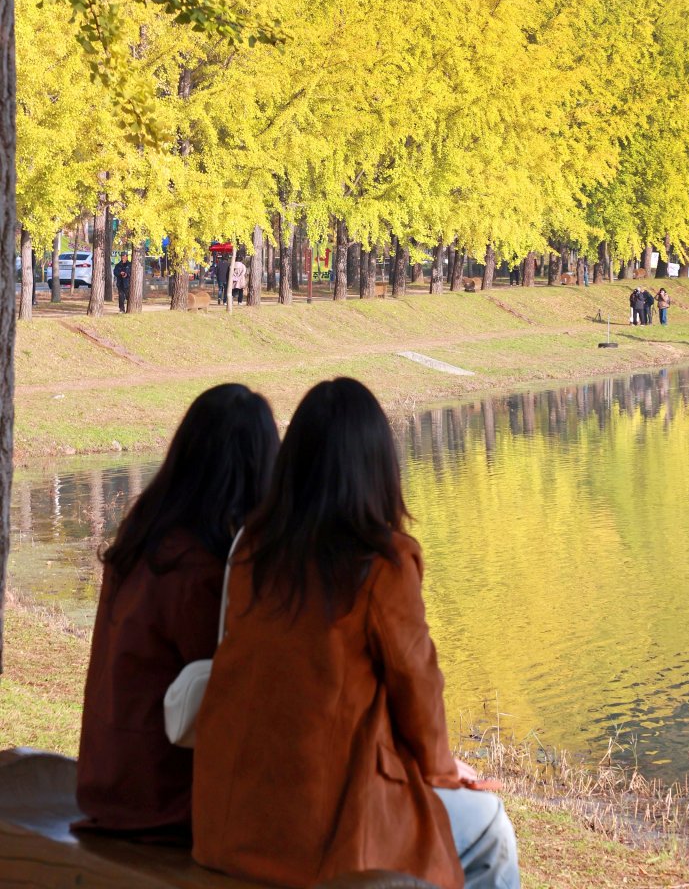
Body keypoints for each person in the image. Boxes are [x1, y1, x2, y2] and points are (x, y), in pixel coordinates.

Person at [193, 378, 520, 889]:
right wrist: (439, 771)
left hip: (229, 821)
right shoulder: (383, 562)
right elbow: (418, 685)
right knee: (492, 830)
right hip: (320, 831)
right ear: (379, 467)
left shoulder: (252, 548)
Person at [75, 385, 279, 842]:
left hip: (107, 786)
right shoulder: (196, 568)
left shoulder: (143, 538)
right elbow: (234, 693)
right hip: (164, 803)